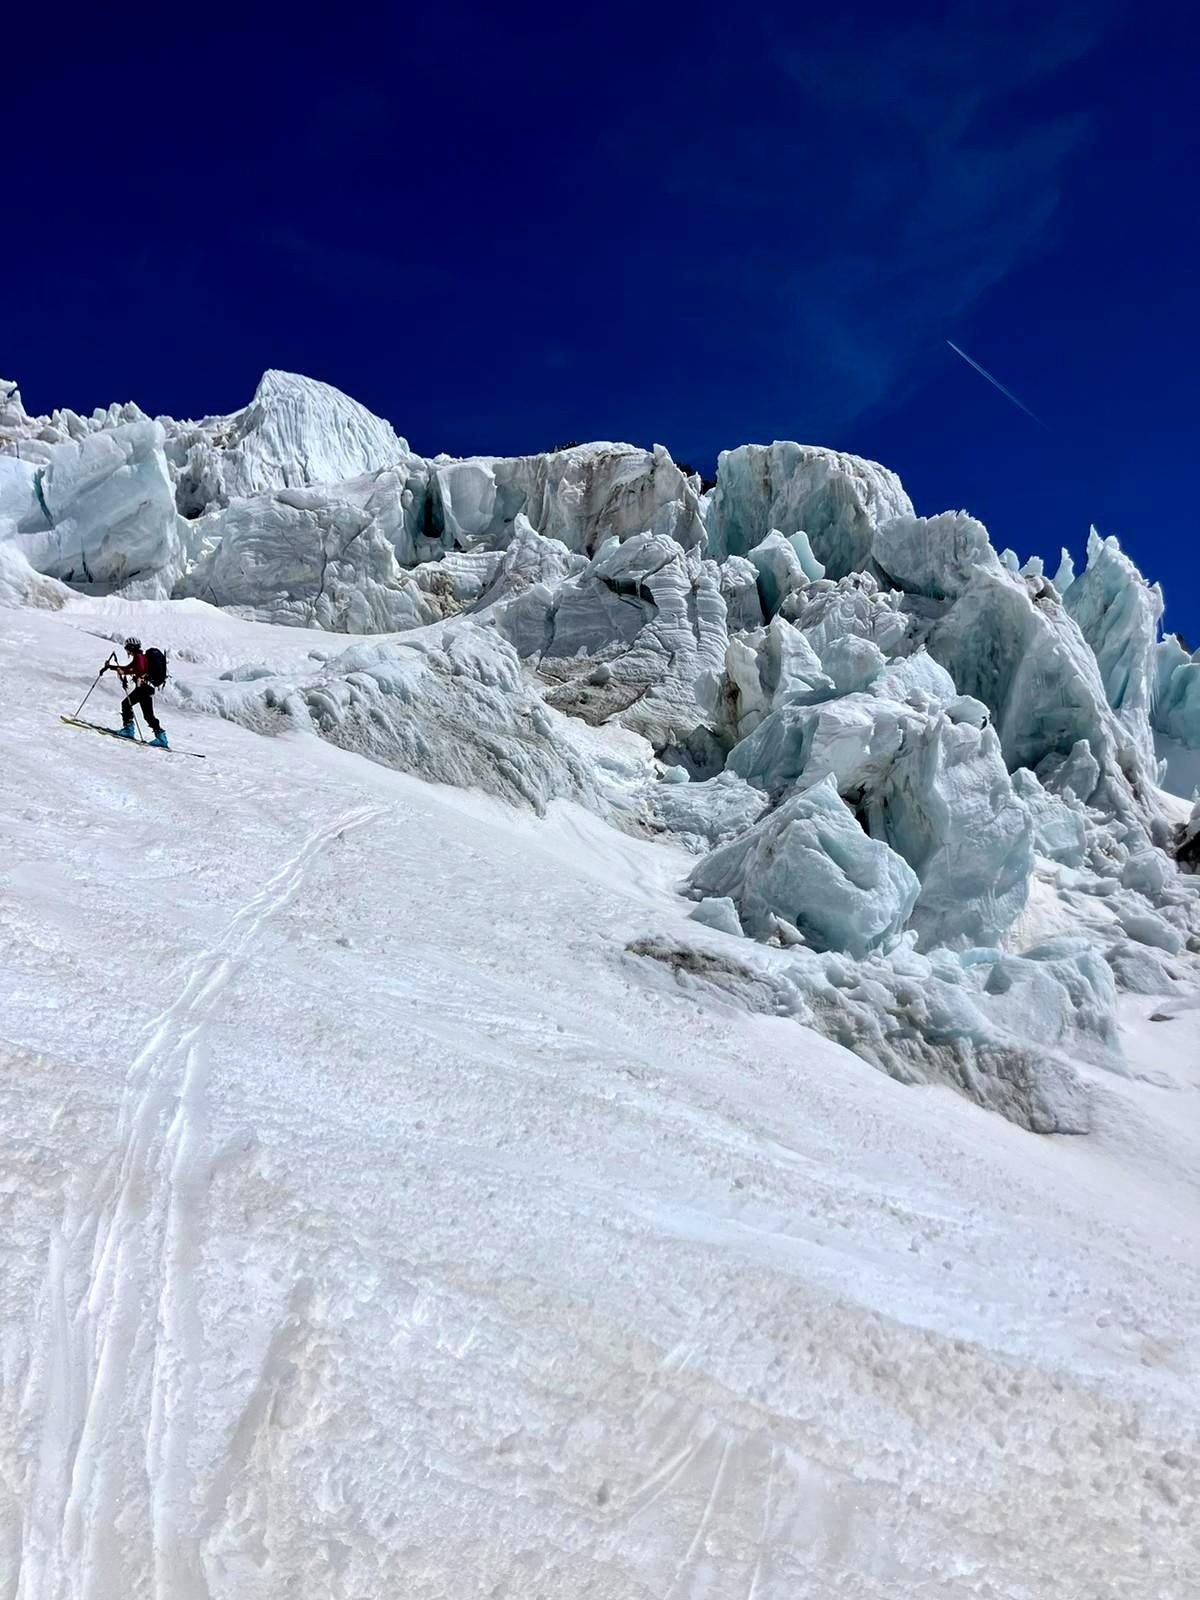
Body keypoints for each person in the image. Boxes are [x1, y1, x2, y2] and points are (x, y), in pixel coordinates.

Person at [102, 636, 169, 748]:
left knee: (126, 704)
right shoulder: (140, 657)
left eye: (127, 648)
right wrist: (112, 667)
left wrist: (122, 671)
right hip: (147, 688)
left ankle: (129, 730)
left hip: (143, 688)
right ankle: (161, 738)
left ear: (130, 647)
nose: (126, 650)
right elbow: (129, 668)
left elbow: (138, 670)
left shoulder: (139, 657)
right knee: (148, 715)